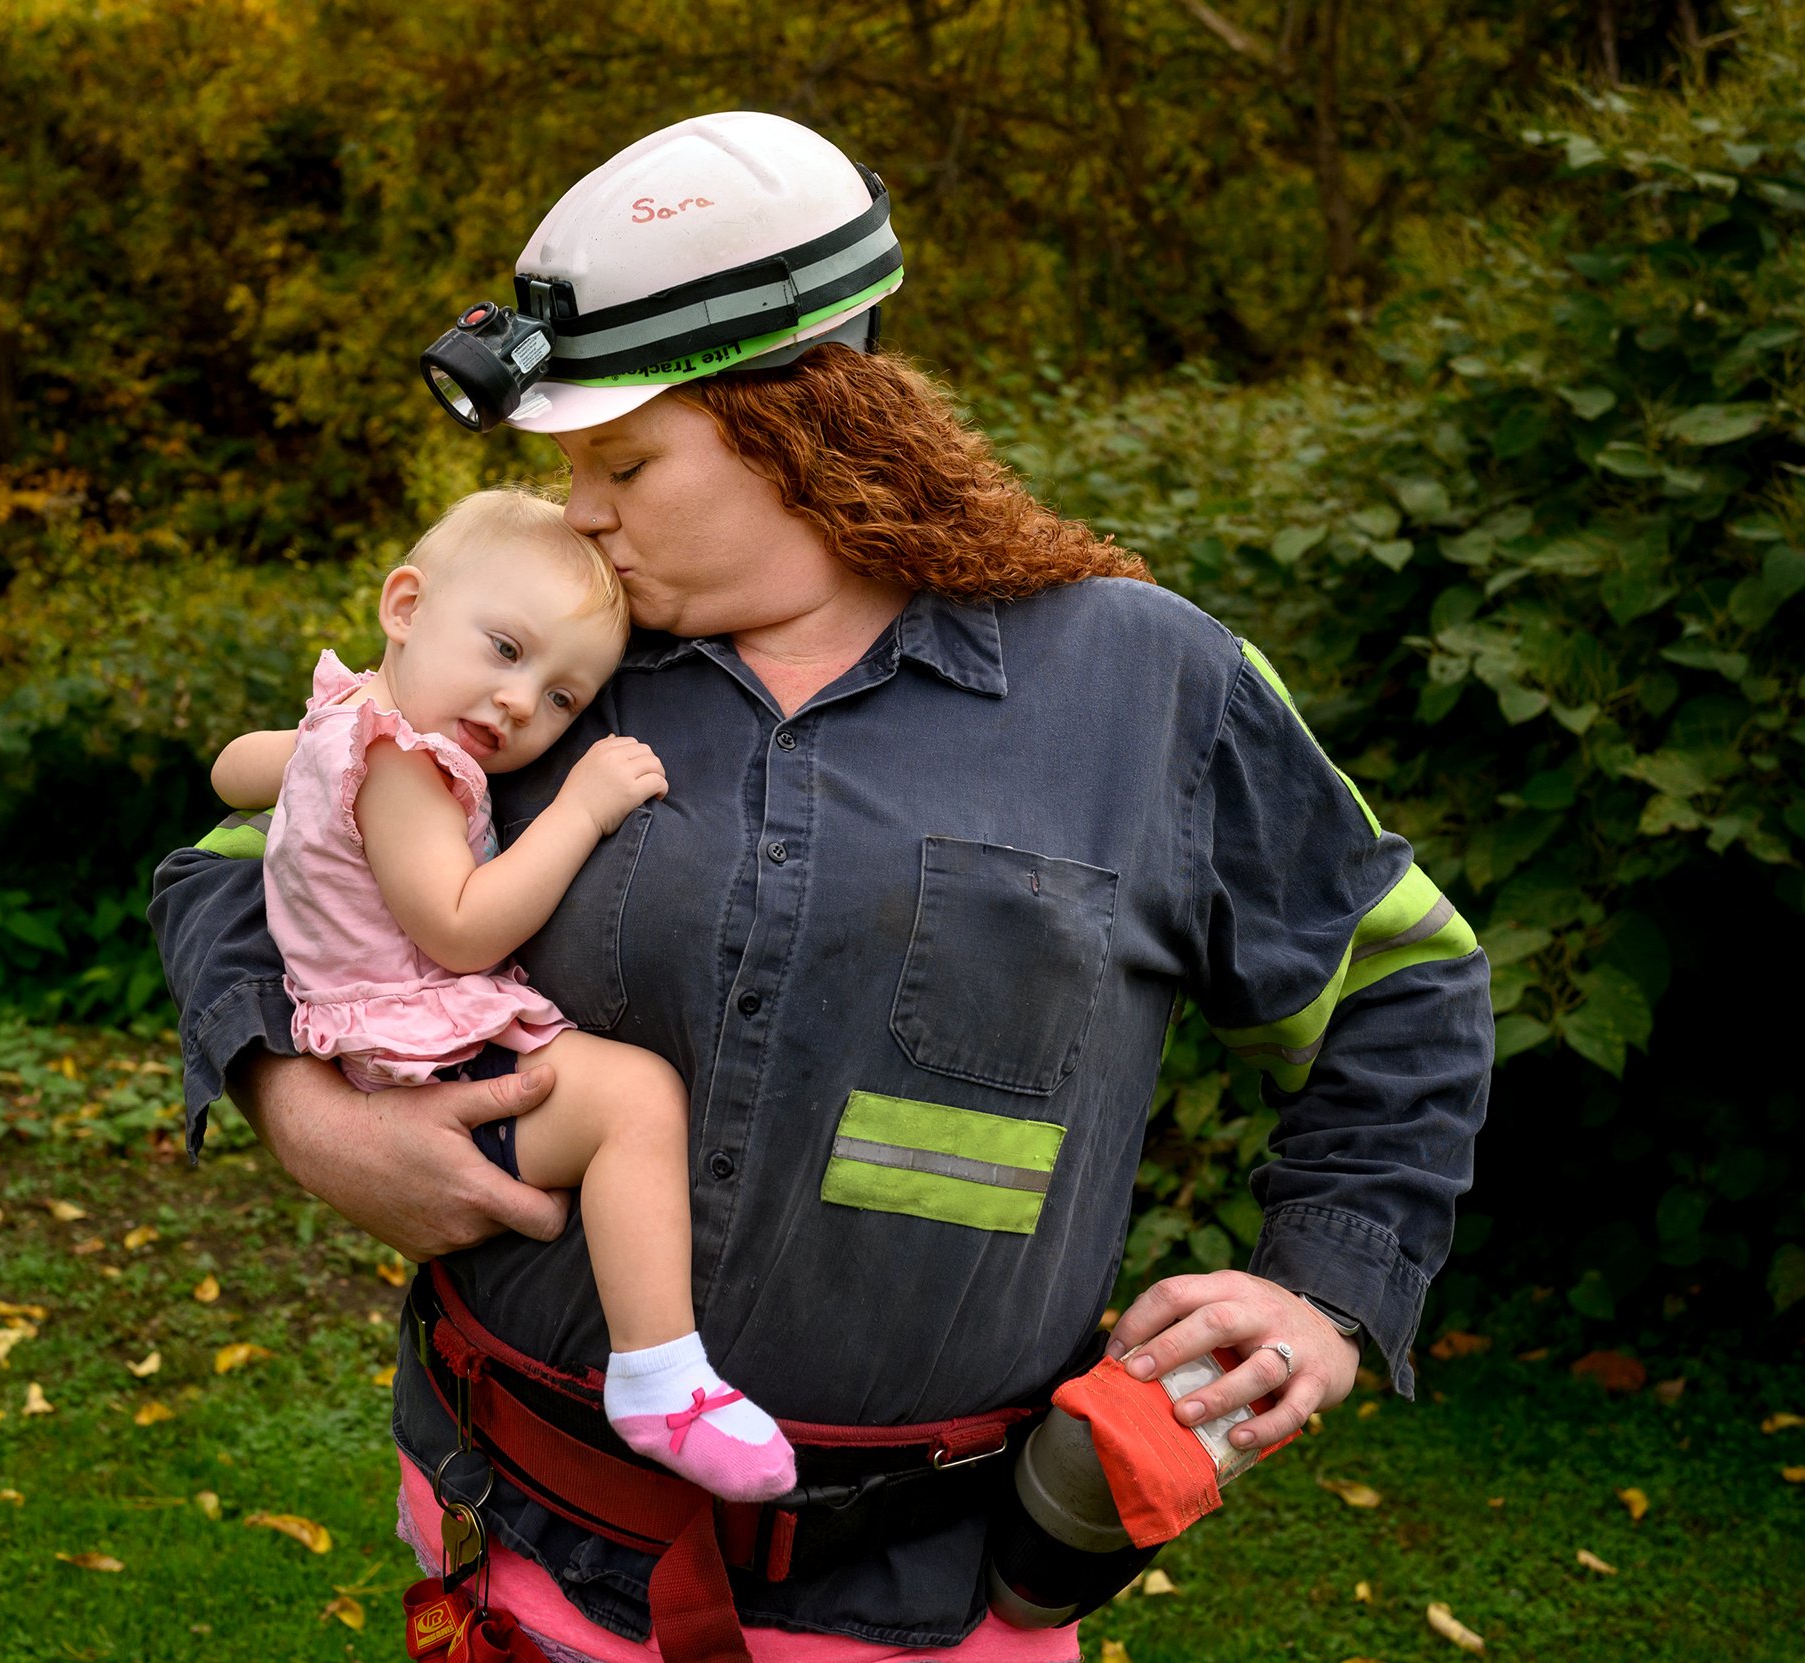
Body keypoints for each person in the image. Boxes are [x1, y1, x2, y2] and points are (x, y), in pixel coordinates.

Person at [151, 111, 1492, 1663]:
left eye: (626, 457)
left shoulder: (1150, 686)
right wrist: (300, 1105)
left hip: (938, 1610)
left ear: (810, 420)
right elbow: (251, 862)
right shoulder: (555, 672)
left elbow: (1402, 980)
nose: (579, 509)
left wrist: (1325, 1286)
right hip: (519, 1555)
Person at [208, 488, 798, 1501]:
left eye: (564, 699)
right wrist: (579, 806)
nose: (523, 703)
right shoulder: (405, 766)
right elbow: (461, 923)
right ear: (404, 607)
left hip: (375, 1035)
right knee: (634, 1101)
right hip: (424, 1049)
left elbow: (231, 772)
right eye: (504, 649)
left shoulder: (348, 717)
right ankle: (658, 1374)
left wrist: (298, 754)